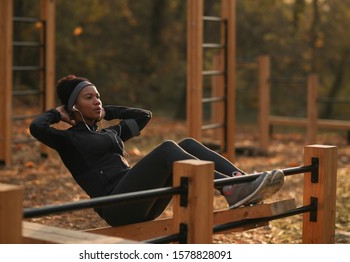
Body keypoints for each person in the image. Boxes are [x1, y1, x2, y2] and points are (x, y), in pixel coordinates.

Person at [30, 75, 284, 226]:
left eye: (98, 96)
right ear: (72, 107)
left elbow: (143, 116)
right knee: (166, 150)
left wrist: (107, 112)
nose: (97, 100)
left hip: (140, 201)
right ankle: (230, 189)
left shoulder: (110, 133)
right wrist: (56, 113)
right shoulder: (68, 141)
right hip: (116, 205)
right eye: (88, 98)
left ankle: (243, 181)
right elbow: (36, 127)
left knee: (186, 144)